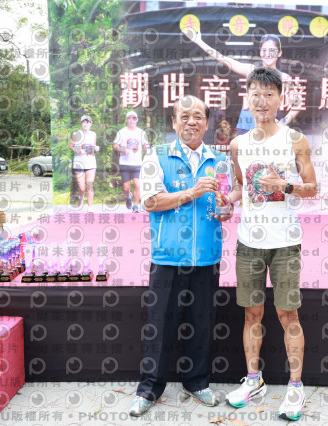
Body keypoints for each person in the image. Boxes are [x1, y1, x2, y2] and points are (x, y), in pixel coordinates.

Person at [218, 67, 317, 421]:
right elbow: (241, 187)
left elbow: (312, 188)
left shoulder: (295, 140)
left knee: (288, 314)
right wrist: (228, 202)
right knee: (252, 313)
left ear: (280, 99)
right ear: (247, 98)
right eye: (256, 94)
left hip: (285, 242)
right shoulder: (238, 145)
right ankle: (254, 380)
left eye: (269, 94)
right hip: (249, 243)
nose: (262, 101)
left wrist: (284, 186)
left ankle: (295, 387)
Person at [129, 95, 233, 417]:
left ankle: (196, 382)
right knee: (160, 325)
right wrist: (190, 193)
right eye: (184, 116)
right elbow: (149, 202)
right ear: (174, 123)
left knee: (202, 324)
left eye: (198, 116)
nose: (191, 121)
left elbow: (225, 202)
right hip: (168, 257)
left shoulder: (219, 160)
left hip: (206, 256)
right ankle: (149, 389)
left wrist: (226, 210)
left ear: (207, 122)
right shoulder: (157, 156)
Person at [186, 32, 300, 134]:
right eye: (264, 50)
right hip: (245, 128)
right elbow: (223, 59)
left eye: (272, 50)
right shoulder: (251, 70)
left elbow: (297, 105)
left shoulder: (284, 78)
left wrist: (282, 123)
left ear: (279, 53)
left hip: (268, 130)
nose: (268, 54)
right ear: (260, 52)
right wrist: (199, 41)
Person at [113, 111, 149, 213]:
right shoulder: (121, 132)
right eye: (129, 118)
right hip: (125, 163)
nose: (131, 120)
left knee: (137, 184)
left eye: (134, 118)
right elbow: (115, 145)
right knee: (126, 187)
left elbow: (146, 145)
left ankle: (136, 205)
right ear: (126, 120)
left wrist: (148, 150)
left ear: (137, 120)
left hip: (137, 163)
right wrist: (122, 149)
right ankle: (128, 197)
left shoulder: (141, 132)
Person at [68, 115, 100, 212]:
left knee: (90, 185)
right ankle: (81, 198)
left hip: (91, 163)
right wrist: (78, 150)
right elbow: (70, 146)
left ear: (91, 124)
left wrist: (96, 148)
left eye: (88, 122)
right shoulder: (76, 134)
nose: (86, 124)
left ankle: (90, 207)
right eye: (84, 122)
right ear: (81, 123)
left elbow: (93, 146)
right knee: (82, 187)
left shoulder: (93, 134)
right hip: (79, 163)